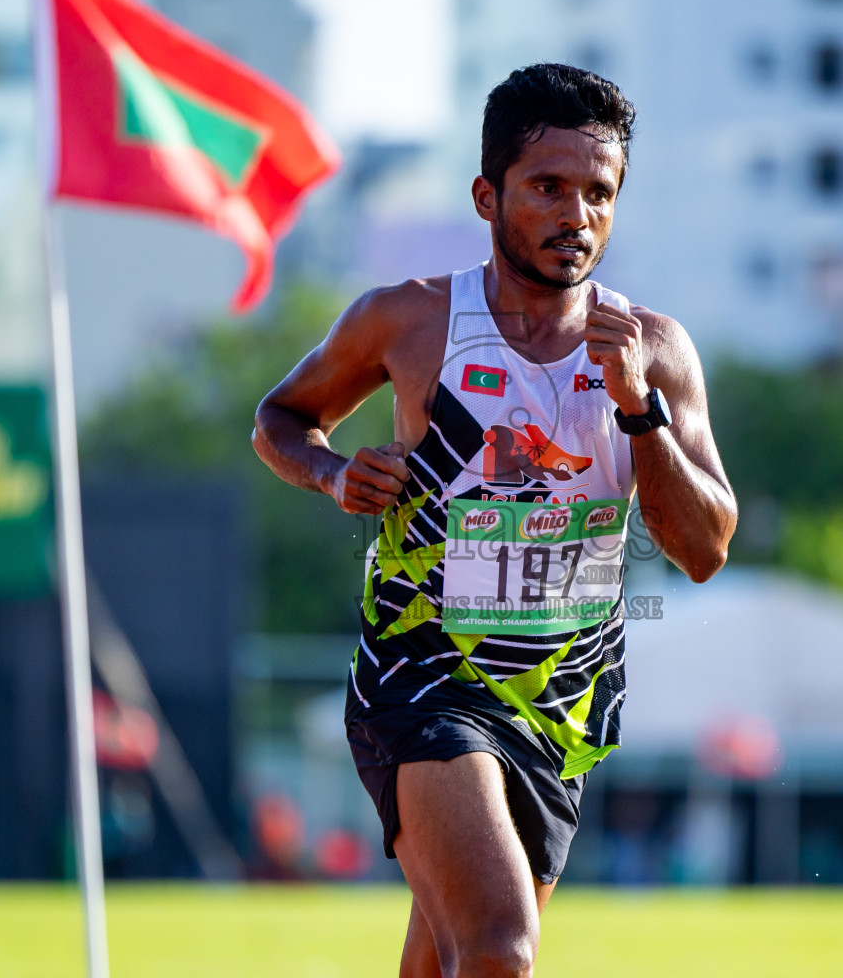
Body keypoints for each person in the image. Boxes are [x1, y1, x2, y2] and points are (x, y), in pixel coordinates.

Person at [253, 63, 736, 977]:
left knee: (444, 964)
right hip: (424, 672)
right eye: (548, 187)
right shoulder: (410, 321)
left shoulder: (654, 351)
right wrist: (331, 473)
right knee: (501, 948)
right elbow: (279, 418)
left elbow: (705, 548)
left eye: (600, 193)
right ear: (488, 195)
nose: (577, 215)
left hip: (561, 698)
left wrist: (639, 409)